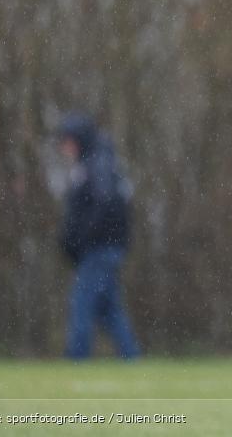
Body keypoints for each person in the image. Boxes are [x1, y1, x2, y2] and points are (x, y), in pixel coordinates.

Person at [57, 114, 140, 360]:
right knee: (109, 309)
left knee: (82, 302)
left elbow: (103, 206)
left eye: (67, 141)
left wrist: (81, 238)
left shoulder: (98, 164)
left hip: (100, 249)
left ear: (78, 140)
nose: (64, 148)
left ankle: (76, 356)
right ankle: (131, 356)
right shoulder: (96, 162)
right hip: (103, 247)